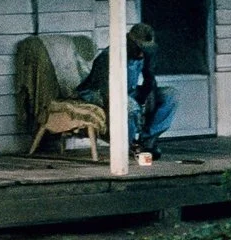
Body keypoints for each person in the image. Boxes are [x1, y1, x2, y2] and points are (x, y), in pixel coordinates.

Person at [76, 23, 178, 153]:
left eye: (146, 50)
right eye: (140, 48)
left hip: (126, 91)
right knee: (130, 105)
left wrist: (148, 100)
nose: (142, 53)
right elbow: (107, 93)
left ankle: (147, 142)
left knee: (171, 95)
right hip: (96, 93)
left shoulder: (145, 54)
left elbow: (149, 79)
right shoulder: (109, 56)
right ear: (129, 41)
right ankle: (126, 147)